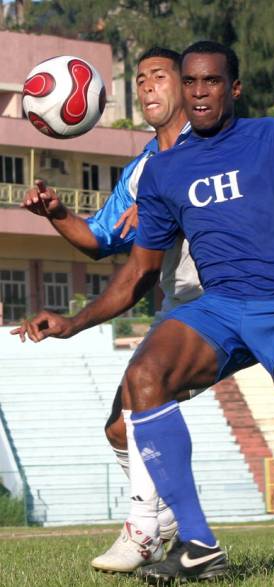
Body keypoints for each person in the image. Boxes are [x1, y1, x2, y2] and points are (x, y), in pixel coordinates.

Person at [14, 41, 274, 582]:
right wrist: (73, 322)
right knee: (144, 379)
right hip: (214, 307)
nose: (199, 92)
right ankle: (197, 543)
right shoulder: (160, 173)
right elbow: (137, 273)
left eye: (210, 82)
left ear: (233, 88)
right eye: (191, 82)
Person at [22, 46, 204, 574]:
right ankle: (162, 521)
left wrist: (160, 203)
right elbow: (100, 239)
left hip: (236, 295)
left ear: (189, 84)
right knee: (121, 428)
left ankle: (149, 527)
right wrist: (57, 213)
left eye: (159, 77)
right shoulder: (141, 169)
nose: (148, 88)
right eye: (140, 79)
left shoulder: (214, 142)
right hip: (184, 306)